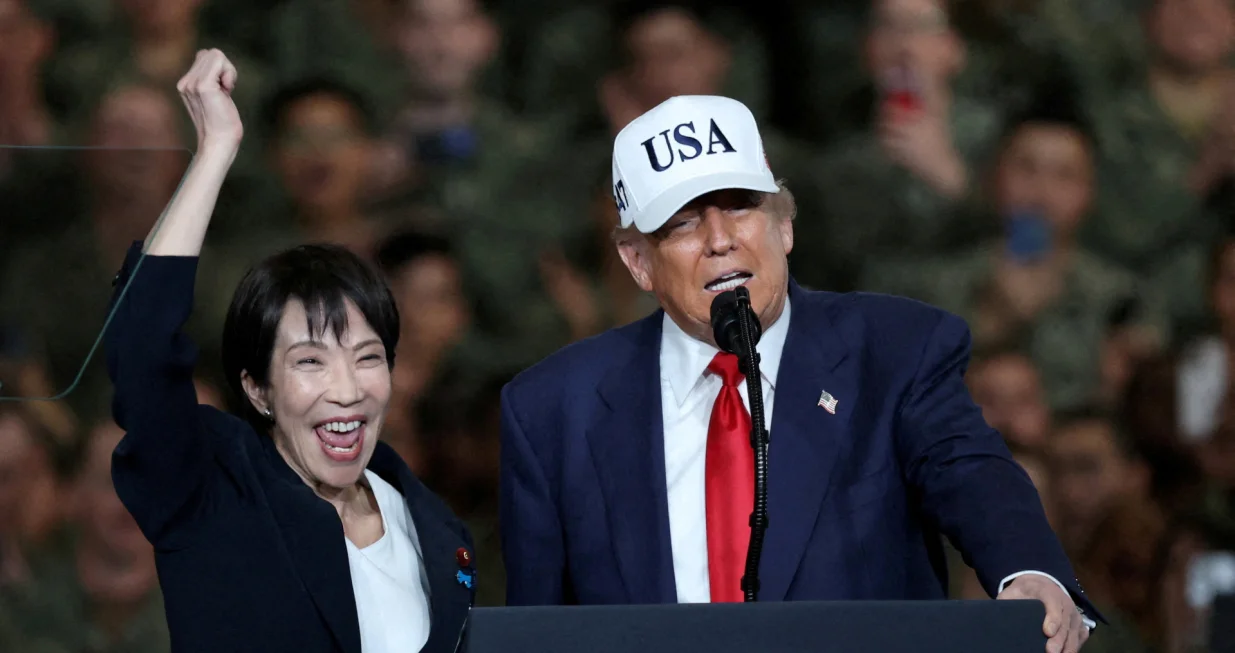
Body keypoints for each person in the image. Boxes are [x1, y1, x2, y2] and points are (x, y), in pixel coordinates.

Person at [500, 94, 1100, 653]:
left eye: (740, 206)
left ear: (784, 226)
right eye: (682, 223)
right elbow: (540, 630)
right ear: (637, 263)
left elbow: (970, 473)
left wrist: (1030, 571)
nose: (720, 240)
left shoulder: (892, 352)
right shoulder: (554, 411)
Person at [104, 50, 475, 653]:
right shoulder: (212, 490)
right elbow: (142, 342)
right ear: (256, 388)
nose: (347, 389)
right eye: (309, 361)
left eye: (367, 356)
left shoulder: (433, 523)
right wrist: (215, 150)